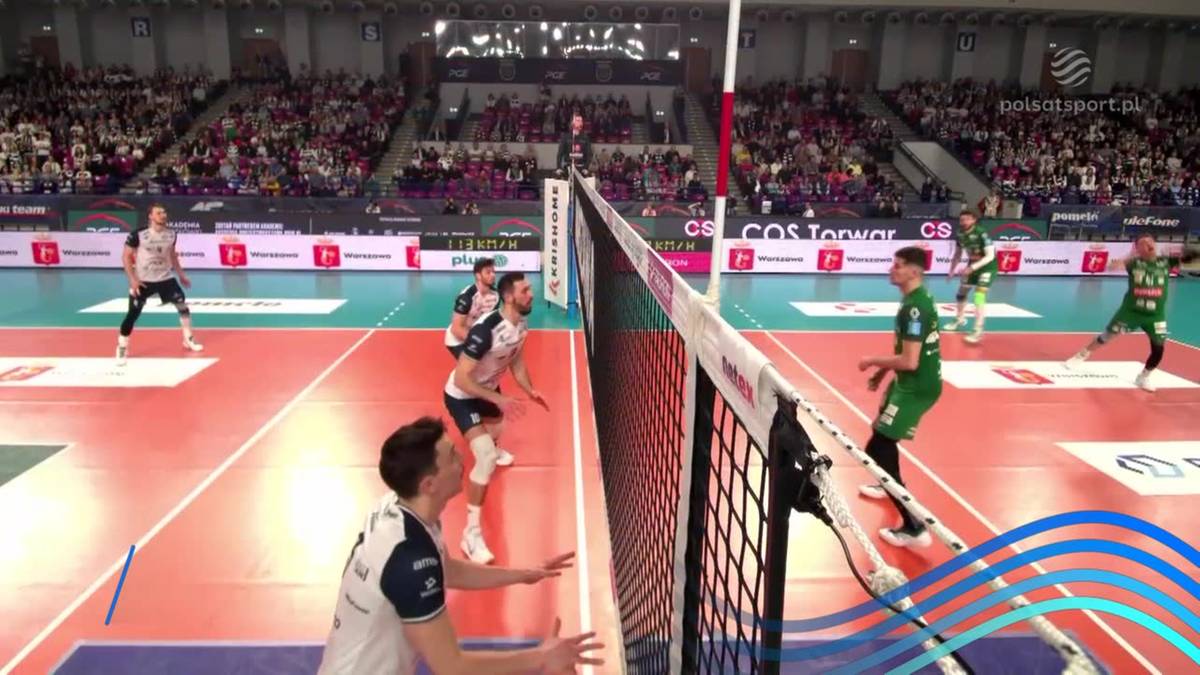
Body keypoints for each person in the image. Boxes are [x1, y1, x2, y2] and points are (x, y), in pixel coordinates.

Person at [316, 417, 603, 675]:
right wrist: (542, 658)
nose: (462, 459)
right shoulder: (410, 559)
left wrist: (524, 574)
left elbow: (448, 570)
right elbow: (451, 666)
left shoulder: (403, 509)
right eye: (452, 456)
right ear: (429, 484)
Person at [443, 272, 547, 564]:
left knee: (498, 426)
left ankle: (489, 443)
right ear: (509, 296)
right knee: (486, 457)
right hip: (462, 395)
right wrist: (499, 398)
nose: (532, 294)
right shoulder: (484, 331)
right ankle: (471, 534)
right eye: (525, 290)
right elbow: (462, 379)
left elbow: (516, 359)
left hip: (487, 391)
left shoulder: (521, 324)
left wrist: (530, 390)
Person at [856, 246, 943, 548]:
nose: (892, 269)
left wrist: (872, 361)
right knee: (879, 435)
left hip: (916, 387)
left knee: (878, 446)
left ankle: (914, 527)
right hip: (906, 382)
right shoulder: (915, 300)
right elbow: (906, 354)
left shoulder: (914, 308)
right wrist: (883, 374)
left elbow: (910, 361)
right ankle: (887, 483)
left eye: (899, 265)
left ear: (914, 271)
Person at [1066, 234, 1195, 391]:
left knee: (1159, 348)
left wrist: (1183, 249)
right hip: (1131, 312)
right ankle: (1082, 355)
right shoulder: (1133, 263)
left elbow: (1192, 258)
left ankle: (1144, 377)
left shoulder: (1166, 261)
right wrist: (1130, 255)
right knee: (1108, 335)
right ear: (1138, 248)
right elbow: (1111, 267)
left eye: (1151, 241)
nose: (1149, 244)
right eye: (1144, 243)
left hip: (1156, 315)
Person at [116, 203, 202, 365]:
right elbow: (126, 256)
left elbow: (172, 256)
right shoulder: (138, 235)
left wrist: (181, 275)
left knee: (182, 306)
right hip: (143, 281)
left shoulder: (171, 234)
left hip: (165, 278)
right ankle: (122, 346)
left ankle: (188, 338)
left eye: (164, 212)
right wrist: (133, 279)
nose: (163, 215)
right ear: (150, 216)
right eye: (158, 213)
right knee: (132, 314)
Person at [945, 209, 997, 344]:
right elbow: (957, 254)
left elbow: (990, 256)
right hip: (971, 266)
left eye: (967, 219)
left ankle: (978, 329)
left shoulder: (982, 233)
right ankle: (959, 319)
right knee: (961, 293)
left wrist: (972, 268)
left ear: (974, 220)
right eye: (962, 219)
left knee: (979, 296)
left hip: (987, 267)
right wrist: (951, 270)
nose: (964, 222)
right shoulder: (960, 233)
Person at [445, 258, 499, 359]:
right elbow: (456, 329)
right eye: (488, 272)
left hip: (477, 335)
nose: (492, 275)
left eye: (493, 272)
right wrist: (479, 342)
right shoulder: (466, 296)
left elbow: (491, 321)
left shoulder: (495, 296)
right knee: (472, 367)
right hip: (456, 341)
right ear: (478, 275)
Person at [556, 113, 592, 178]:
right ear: (572, 122)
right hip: (568, 167)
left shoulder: (585, 138)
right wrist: (559, 167)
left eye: (581, 121)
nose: (580, 123)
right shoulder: (565, 137)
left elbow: (589, 154)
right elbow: (560, 154)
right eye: (577, 120)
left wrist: (586, 167)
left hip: (581, 168)